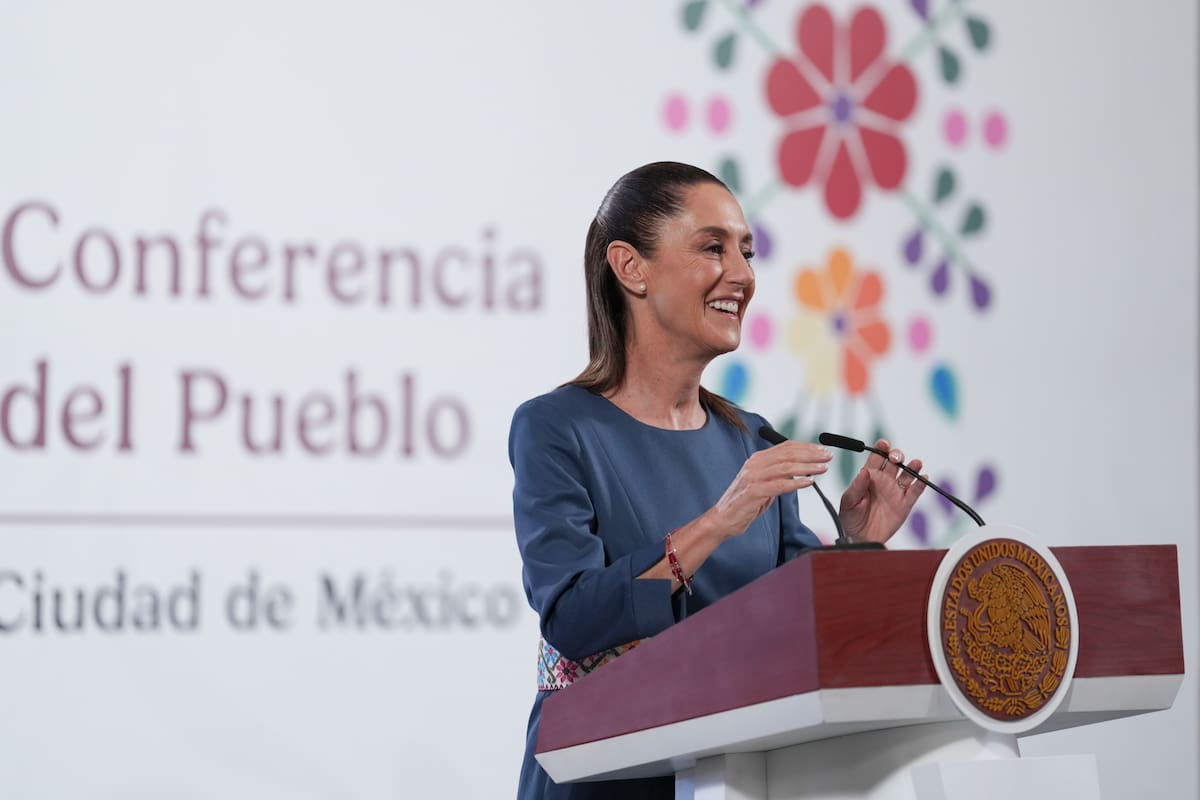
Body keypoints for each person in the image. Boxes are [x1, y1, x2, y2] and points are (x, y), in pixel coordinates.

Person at [509, 162, 926, 799]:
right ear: (631, 268)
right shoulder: (555, 427)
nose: (743, 274)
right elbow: (571, 617)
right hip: (603, 777)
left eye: (748, 252)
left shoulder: (750, 437)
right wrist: (718, 521)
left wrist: (856, 546)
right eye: (713, 247)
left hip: (741, 775)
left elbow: (804, 628)